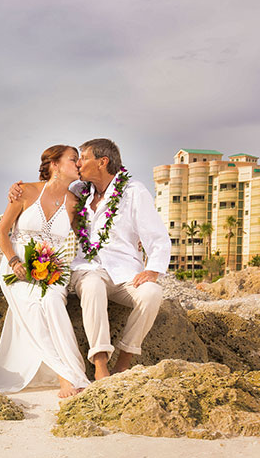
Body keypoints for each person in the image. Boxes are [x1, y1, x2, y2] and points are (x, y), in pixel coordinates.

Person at [9, 138, 171, 380]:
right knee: (93, 285)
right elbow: (48, 190)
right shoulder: (78, 191)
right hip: (87, 268)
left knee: (152, 294)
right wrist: (16, 188)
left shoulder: (134, 192)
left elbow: (156, 236)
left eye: (83, 158)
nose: (79, 164)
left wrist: (154, 269)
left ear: (102, 162)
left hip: (125, 272)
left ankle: (124, 360)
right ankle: (100, 362)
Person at [0, 145, 91, 399]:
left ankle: (69, 375)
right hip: (17, 265)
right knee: (33, 305)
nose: (77, 164)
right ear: (54, 164)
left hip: (51, 267)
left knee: (53, 302)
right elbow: (2, 232)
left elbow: (86, 241)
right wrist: (13, 262)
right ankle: (67, 376)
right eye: (72, 159)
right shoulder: (25, 191)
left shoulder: (75, 203)